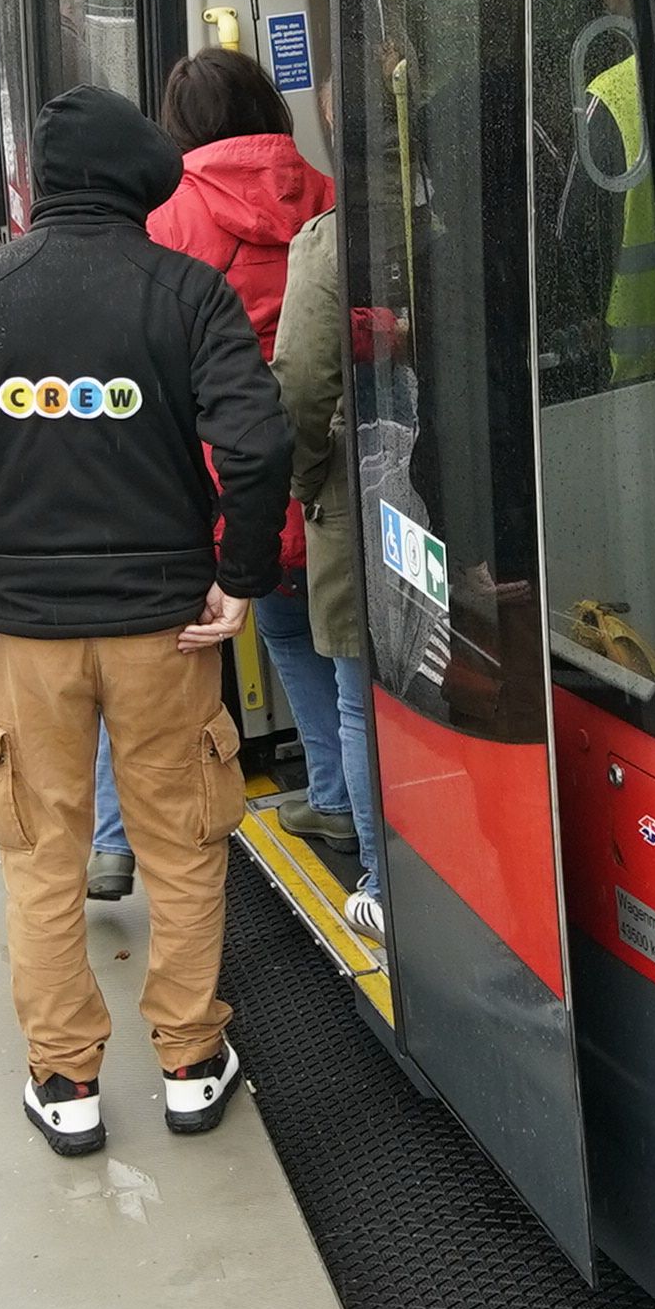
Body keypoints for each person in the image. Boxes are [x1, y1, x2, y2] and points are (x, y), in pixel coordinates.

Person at [0, 86, 289, 1159]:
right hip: (165, 633)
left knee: (43, 857)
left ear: (43, 187)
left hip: (25, 642)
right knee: (185, 847)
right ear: (140, 179)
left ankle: (67, 1083)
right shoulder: (188, 293)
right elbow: (258, 441)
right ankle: (191, 1062)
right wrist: (235, 571)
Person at [89, 46, 337, 901]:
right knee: (330, 637)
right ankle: (339, 795)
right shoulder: (319, 187)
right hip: (329, 448)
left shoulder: (173, 211)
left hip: (221, 459)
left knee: (231, 634)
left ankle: (126, 836)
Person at [271, 210, 380, 941]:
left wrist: (306, 482)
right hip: (448, 474)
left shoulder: (331, 238)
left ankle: (381, 879)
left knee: (356, 692)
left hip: (354, 486)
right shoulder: (447, 205)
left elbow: (304, 388)